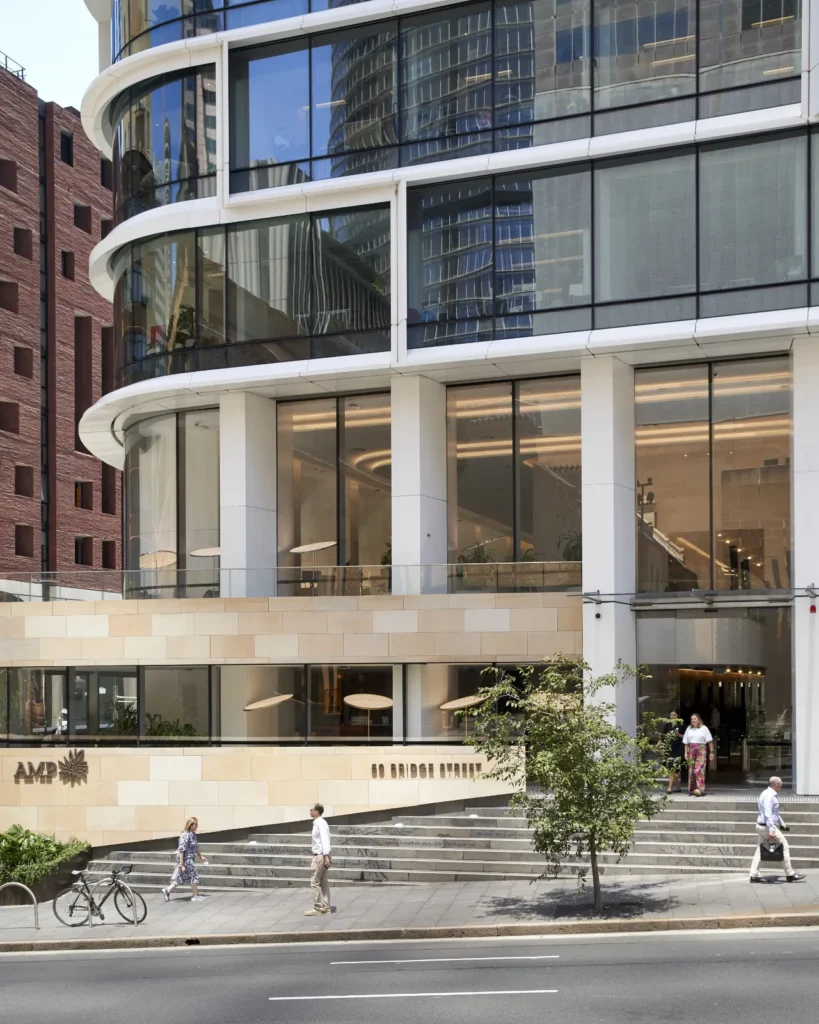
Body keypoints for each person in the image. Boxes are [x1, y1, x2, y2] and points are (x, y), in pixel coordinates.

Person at [750, 776, 805, 884]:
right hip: (767, 827)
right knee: (784, 845)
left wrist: (782, 824)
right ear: (776, 785)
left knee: (759, 850)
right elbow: (768, 814)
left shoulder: (767, 793)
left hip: (762, 825)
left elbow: (775, 813)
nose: (782, 786)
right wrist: (771, 830)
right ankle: (790, 874)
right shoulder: (769, 796)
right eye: (781, 784)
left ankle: (753, 874)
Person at [162, 817, 208, 902]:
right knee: (193, 875)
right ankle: (195, 895)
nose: (197, 826)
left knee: (181, 877)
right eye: (195, 824)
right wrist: (181, 863)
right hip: (186, 859)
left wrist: (201, 857)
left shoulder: (193, 835)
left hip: (189, 858)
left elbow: (196, 847)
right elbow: (181, 849)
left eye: (197, 824)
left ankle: (167, 890)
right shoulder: (185, 835)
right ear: (190, 825)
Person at [306, 802, 332, 916]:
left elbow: (324, 839)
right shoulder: (322, 822)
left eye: (312, 810)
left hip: (320, 855)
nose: (310, 811)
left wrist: (325, 856)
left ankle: (317, 908)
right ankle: (326, 907)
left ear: (317, 811)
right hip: (321, 855)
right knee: (323, 882)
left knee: (314, 882)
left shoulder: (319, 823)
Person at [683, 713, 715, 796]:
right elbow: (686, 742)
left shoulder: (704, 728)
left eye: (695, 719)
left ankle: (699, 789)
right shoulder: (689, 729)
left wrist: (712, 752)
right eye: (692, 719)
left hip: (701, 750)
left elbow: (710, 741)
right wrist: (685, 752)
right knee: (691, 769)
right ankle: (693, 789)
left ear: (699, 720)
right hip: (691, 750)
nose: (693, 720)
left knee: (699, 769)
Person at [663, 710, 685, 793]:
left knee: (673, 768)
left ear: (677, 716)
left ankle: (669, 788)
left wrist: (679, 735)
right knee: (672, 768)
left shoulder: (682, 725)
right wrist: (657, 746)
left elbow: (687, 737)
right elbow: (663, 736)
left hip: (678, 748)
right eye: (671, 715)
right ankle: (678, 787)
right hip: (669, 749)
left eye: (674, 715)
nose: (672, 716)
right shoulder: (667, 725)